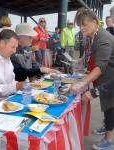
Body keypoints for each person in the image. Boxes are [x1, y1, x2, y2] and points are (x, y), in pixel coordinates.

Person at [70, 8, 114, 150]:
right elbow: (91, 56)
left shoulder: (104, 37)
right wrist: (81, 61)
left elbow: (100, 67)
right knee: (107, 106)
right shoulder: (92, 35)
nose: (81, 28)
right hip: (105, 78)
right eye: (80, 25)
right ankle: (107, 126)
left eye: (84, 24)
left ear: (95, 23)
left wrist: (83, 82)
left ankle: (109, 139)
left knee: (110, 107)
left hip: (110, 79)